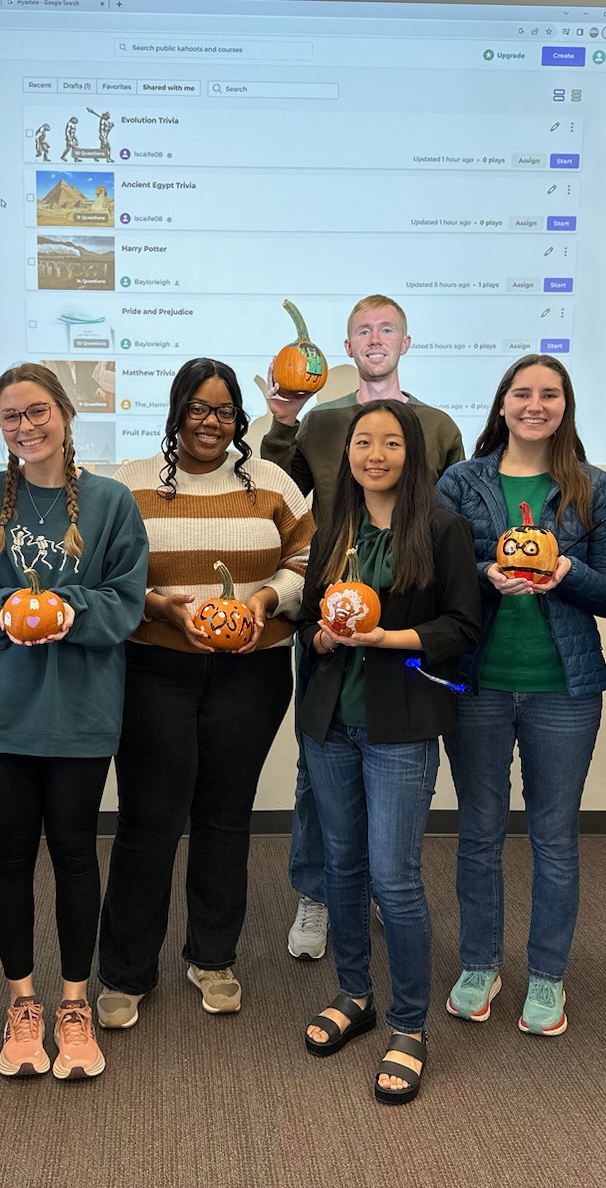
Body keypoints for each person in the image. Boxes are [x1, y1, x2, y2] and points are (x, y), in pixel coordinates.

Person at [0, 363, 148, 1081]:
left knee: (76, 853)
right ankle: (22, 1001)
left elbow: (125, 600)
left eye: (37, 412)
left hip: (81, 711)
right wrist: (8, 610)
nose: (25, 426)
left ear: (64, 413)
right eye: (10, 416)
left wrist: (67, 610)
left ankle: (74, 1003)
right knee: (10, 855)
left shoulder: (112, 502)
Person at [96, 358, 313, 1029]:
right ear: (176, 412)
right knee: (149, 819)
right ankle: (127, 972)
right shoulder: (130, 483)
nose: (210, 422)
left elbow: (307, 560)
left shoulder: (271, 482)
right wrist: (162, 606)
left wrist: (265, 602)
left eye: (223, 411)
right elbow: (104, 572)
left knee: (225, 815)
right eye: (197, 408)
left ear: (239, 419)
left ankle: (213, 958)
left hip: (252, 672)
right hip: (153, 667)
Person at [261, 294, 466, 959]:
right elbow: (280, 491)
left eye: (387, 329)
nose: (374, 339)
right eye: (362, 331)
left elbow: (452, 517)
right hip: (332, 605)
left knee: (393, 760)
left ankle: (382, 885)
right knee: (318, 763)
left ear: (406, 342)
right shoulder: (321, 423)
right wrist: (282, 423)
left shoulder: (436, 425)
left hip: (404, 614)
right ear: (346, 348)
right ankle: (317, 891)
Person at [435, 355, 606, 1037]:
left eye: (550, 394)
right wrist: (486, 571)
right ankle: (480, 964)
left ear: (565, 406)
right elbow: (436, 573)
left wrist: (566, 569)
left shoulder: (594, 488)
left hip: (565, 690)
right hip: (479, 683)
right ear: (503, 403)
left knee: (554, 835)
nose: (535, 405)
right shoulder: (461, 482)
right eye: (523, 393)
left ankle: (548, 975)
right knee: (479, 832)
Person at [296, 400, 480, 1105]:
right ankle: (354, 994)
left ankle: (408, 1025)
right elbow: (310, 621)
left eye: (391, 443)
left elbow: (461, 628)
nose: (375, 454)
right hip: (331, 724)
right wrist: (322, 637)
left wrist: (387, 640)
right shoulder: (332, 530)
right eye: (363, 442)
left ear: (413, 454)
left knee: (394, 879)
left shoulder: (442, 528)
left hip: (400, 723)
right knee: (341, 865)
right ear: (347, 453)